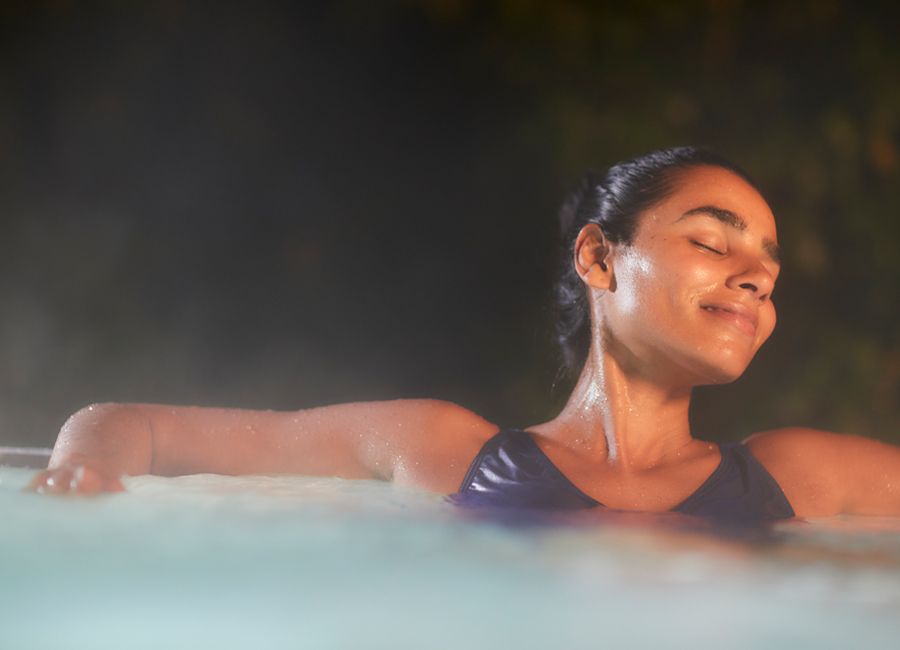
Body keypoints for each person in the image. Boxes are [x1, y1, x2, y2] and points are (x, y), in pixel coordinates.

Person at [28, 147, 900, 520]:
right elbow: (135, 423)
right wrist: (89, 473)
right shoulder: (448, 453)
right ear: (598, 258)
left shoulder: (796, 475)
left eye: (769, 272)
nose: (753, 275)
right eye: (712, 242)